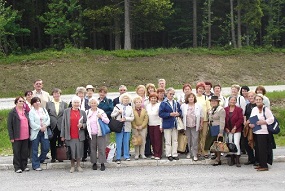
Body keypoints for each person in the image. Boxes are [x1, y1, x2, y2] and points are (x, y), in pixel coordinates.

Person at [61, 96, 87, 173]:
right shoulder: (66, 111)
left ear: (80, 103)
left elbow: (86, 123)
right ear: (72, 103)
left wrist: (82, 126)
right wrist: (62, 135)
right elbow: (63, 124)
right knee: (71, 151)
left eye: (77, 102)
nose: (76, 104)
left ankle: (78, 165)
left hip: (79, 135)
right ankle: (72, 166)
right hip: (70, 135)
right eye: (75, 102)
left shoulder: (82, 112)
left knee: (79, 151)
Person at [249, 94, 274, 171]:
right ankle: (260, 163)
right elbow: (251, 118)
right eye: (257, 100)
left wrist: (263, 122)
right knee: (258, 149)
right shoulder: (254, 109)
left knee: (263, 149)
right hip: (256, 131)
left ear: (262, 101)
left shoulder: (265, 109)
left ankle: (264, 165)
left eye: (259, 100)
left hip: (263, 132)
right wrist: (251, 124)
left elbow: (271, 119)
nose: (258, 101)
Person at [86, 97, 109, 171]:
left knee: (101, 148)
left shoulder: (101, 111)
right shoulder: (87, 112)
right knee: (92, 149)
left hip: (100, 133)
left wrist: (101, 117)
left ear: (97, 104)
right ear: (89, 104)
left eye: (94, 103)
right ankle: (94, 163)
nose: (93, 104)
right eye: (92, 103)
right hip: (91, 134)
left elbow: (107, 121)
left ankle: (102, 163)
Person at [7, 96, 30, 173]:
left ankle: (24, 165)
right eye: (20, 101)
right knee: (17, 152)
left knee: (25, 152)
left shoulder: (25, 111)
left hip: (26, 135)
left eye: (23, 101)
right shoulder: (12, 112)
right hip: (17, 136)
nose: (21, 103)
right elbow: (9, 125)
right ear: (16, 102)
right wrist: (11, 137)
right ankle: (17, 167)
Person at [159, 87, 182, 161]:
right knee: (168, 140)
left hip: (175, 123)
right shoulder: (164, 103)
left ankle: (174, 153)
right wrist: (169, 114)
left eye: (173, 94)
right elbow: (161, 113)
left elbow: (180, 111)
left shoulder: (176, 102)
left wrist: (178, 113)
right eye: (170, 94)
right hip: (167, 123)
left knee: (175, 140)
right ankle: (168, 154)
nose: (171, 95)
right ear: (167, 94)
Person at [46, 88, 68, 163]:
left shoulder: (64, 103)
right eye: (55, 93)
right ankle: (53, 156)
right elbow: (47, 114)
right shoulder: (48, 103)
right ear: (53, 95)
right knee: (52, 141)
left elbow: (66, 115)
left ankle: (60, 156)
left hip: (61, 125)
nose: (56, 95)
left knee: (60, 141)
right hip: (52, 125)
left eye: (58, 93)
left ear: (60, 94)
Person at [111, 93, 134, 163]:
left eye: (127, 98)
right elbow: (112, 115)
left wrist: (126, 118)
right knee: (119, 142)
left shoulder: (130, 108)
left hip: (127, 126)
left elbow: (132, 118)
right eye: (124, 98)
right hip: (119, 127)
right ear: (122, 99)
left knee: (126, 142)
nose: (126, 100)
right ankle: (118, 157)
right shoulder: (117, 106)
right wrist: (118, 112)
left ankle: (126, 156)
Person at [29, 97, 50, 171]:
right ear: (32, 104)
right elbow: (31, 123)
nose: (37, 103)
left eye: (38, 101)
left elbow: (48, 119)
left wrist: (45, 126)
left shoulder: (43, 110)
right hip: (36, 132)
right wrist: (39, 127)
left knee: (46, 147)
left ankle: (41, 159)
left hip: (44, 131)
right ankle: (35, 165)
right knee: (35, 149)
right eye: (35, 102)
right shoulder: (31, 112)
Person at [180, 93, 203, 161]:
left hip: (195, 125)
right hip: (186, 125)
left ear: (194, 98)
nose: (191, 98)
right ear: (187, 98)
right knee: (188, 140)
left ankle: (195, 154)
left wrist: (201, 124)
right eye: (189, 97)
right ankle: (189, 153)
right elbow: (181, 115)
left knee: (195, 140)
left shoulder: (198, 105)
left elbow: (201, 116)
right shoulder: (183, 106)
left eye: (192, 97)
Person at [70, 87, 90, 162]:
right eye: (79, 93)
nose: (81, 95)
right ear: (77, 94)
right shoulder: (72, 102)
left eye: (82, 93)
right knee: (76, 141)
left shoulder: (88, 101)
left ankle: (84, 155)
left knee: (85, 140)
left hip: (86, 123)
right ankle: (74, 156)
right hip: (75, 124)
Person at [204, 96, 226, 166]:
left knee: (218, 144)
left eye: (215, 101)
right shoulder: (211, 109)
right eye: (212, 101)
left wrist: (221, 132)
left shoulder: (221, 110)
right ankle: (216, 156)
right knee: (212, 143)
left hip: (218, 128)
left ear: (218, 102)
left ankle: (218, 159)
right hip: (212, 128)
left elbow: (222, 121)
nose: (213, 102)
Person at [224, 96, 244, 167]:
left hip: (236, 129)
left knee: (236, 143)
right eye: (231, 100)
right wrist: (226, 127)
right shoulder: (225, 109)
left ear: (236, 101)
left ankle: (237, 159)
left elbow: (241, 119)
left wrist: (235, 127)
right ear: (229, 101)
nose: (232, 101)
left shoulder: (239, 109)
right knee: (230, 143)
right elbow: (224, 119)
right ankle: (232, 159)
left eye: (234, 100)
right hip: (228, 129)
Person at [196, 82, 211, 159]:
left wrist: (210, 114)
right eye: (199, 88)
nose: (200, 90)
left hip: (204, 120)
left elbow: (209, 108)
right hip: (196, 120)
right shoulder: (194, 97)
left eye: (202, 89)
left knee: (204, 135)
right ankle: (198, 151)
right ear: (197, 89)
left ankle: (204, 150)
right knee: (197, 136)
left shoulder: (206, 98)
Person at [145, 93, 163, 160]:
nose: (153, 99)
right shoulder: (147, 106)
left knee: (157, 140)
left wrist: (161, 126)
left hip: (157, 124)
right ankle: (154, 152)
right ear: (150, 99)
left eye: (155, 98)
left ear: (157, 99)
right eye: (152, 98)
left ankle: (158, 154)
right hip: (150, 124)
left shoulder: (159, 105)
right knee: (152, 140)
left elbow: (161, 116)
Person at [243, 91, 257, 165]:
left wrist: (250, 121)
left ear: (254, 96)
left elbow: (258, 115)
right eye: (249, 96)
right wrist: (245, 121)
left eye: (252, 96)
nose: (250, 97)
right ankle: (251, 158)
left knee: (255, 143)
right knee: (246, 143)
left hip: (255, 126)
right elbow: (245, 115)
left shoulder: (257, 105)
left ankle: (257, 160)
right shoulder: (248, 105)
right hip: (247, 126)